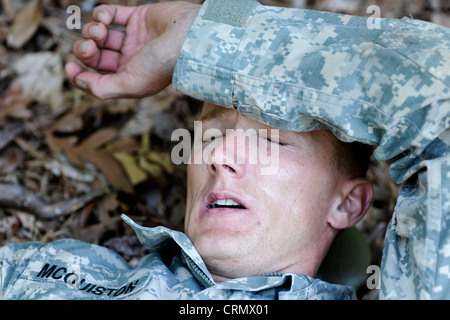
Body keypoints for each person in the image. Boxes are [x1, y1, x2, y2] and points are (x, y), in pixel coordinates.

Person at [1, 0, 449, 300]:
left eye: (273, 141)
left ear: (348, 204)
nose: (220, 156)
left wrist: (203, 35)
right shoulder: (47, 271)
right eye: (211, 136)